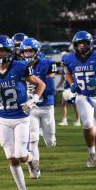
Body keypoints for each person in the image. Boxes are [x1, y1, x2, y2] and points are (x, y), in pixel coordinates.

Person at [0, 36, 45, 190]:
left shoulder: (20, 67)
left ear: (9, 51)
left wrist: (33, 100)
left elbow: (41, 84)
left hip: (21, 116)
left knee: (21, 155)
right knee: (11, 157)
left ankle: (31, 161)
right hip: (2, 118)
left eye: (2, 50)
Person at [63, 31, 96, 167]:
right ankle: (91, 154)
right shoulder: (69, 59)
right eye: (79, 43)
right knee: (87, 124)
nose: (81, 46)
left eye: (84, 43)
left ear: (90, 44)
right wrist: (72, 84)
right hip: (82, 96)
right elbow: (68, 73)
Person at [20, 37, 57, 178]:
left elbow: (51, 89)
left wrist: (38, 89)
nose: (28, 53)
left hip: (46, 106)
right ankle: (35, 170)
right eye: (25, 51)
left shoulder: (47, 63)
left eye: (30, 51)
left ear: (36, 51)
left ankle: (51, 138)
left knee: (50, 141)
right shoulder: (19, 66)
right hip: (31, 108)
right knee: (33, 138)